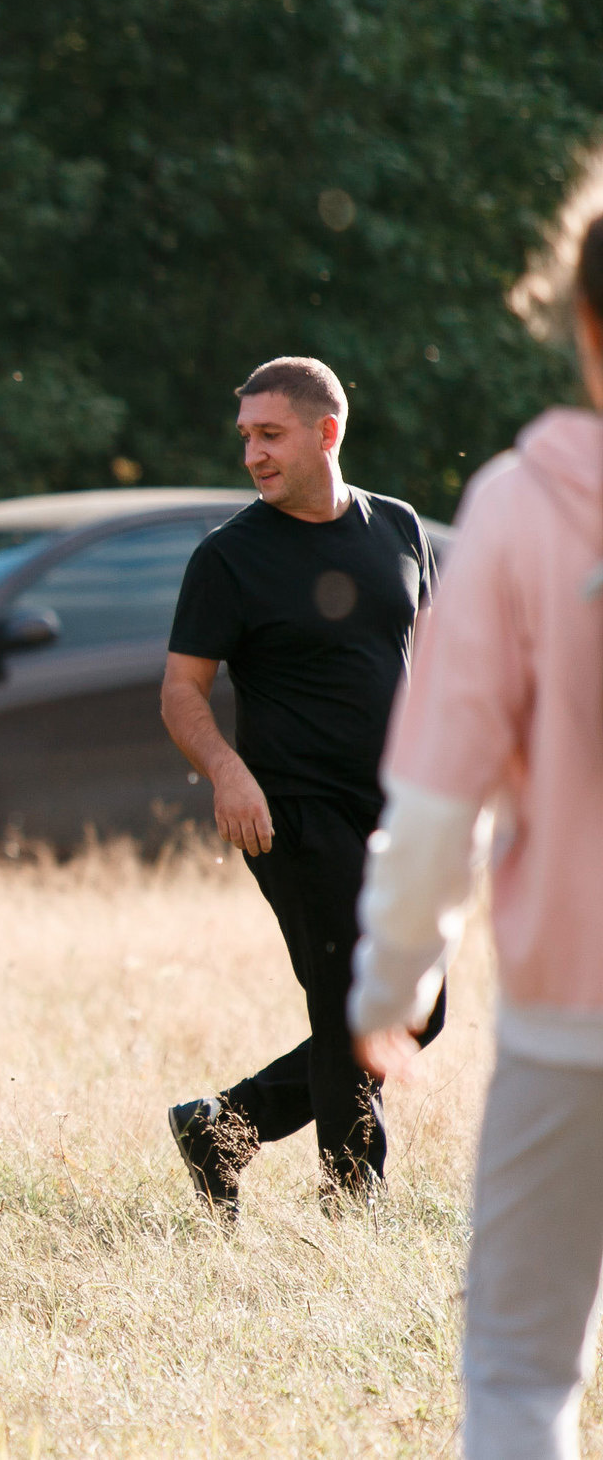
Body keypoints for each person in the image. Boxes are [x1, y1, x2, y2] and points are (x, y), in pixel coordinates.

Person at [350, 182, 603, 1459]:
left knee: (518, 1373)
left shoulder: (515, 507)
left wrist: (388, 981)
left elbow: (439, 799)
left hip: (574, 1024)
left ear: (582, 323)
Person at [158, 356, 442, 1218]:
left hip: (398, 809)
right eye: (246, 436)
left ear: (328, 432)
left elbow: (428, 668)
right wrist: (229, 771)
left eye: (270, 434)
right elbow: (181, 690)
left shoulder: (396, 527)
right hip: (288, 810)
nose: (252, 453)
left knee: (416, 1011)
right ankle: (354, 1203)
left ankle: (226, 1127)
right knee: (351, 992)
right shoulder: (229, 558)